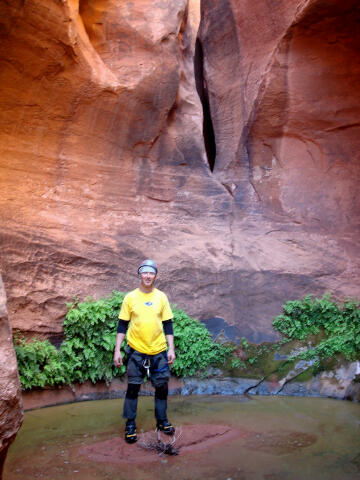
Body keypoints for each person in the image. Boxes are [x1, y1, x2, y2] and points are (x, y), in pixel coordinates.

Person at [113, 259, 176, 444]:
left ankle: (162, 420)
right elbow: (122, 324)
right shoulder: (130, 298)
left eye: (151, 273)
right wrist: (117, 350)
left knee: (162, 387)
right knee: (133, 388)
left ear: (155, 275)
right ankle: (130, 424)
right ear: (140, 274)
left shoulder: (161, 297)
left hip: (158, 351)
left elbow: (168, 324)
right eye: (144, 272)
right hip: (136, 352)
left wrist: (171, 348)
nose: (148, 276)